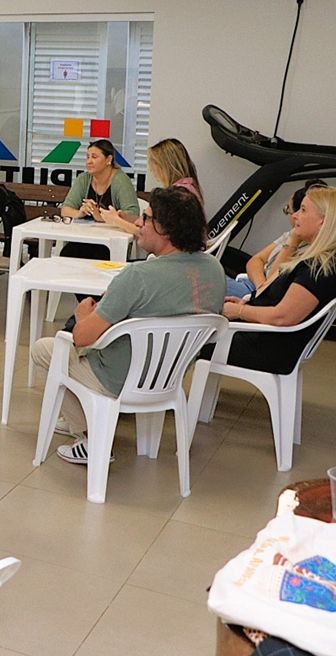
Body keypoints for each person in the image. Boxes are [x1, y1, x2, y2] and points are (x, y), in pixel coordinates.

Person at [31, 187, 225, 464]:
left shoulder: (138, 276)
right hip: (169, 377)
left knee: (45, 349)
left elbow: (82, 337)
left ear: (164, 229)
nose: (138, 224)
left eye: (145, 218)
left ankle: (89, 437)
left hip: (118, 378)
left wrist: (82, 314)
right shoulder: (214, 270)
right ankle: (84, 417)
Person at [219, 187, 336, 375]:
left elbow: (282, 317)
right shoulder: (313, 258)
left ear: (323, 221)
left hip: (265, 347)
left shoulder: (318, 268)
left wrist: (240, 311)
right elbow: (269, 288)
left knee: (189, 339)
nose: (295, 215)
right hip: (262, 337)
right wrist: (246, 305)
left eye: (303, 210)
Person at [227, 179, 328, 299]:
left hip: (255, 295)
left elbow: (273, 288)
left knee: (204, 279)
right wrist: (261, 286)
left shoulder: (311, 254)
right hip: (255, 285)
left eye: (302, 210)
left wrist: (292, 242)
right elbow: (256, 260)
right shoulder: (291, 234)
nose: (295, 215)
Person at [101, 138, 202, 236]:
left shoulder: (178, 196)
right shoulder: (186, 189)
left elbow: (149, 235)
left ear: (165, 166)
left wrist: (117, 221)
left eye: (154, 164)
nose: (152, 170)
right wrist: (126, 218)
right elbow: (153, 225)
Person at [58, 139, 140, 261]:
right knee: (67, 253)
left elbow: (134, 215)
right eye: (87, 157)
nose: (89, 162)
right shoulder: (83, 179)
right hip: (84, 239)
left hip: (111, 244)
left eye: (94, 157)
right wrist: (79, 213)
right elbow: (65, 210)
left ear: (108, 160)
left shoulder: (121, 180)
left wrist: (101, 217)